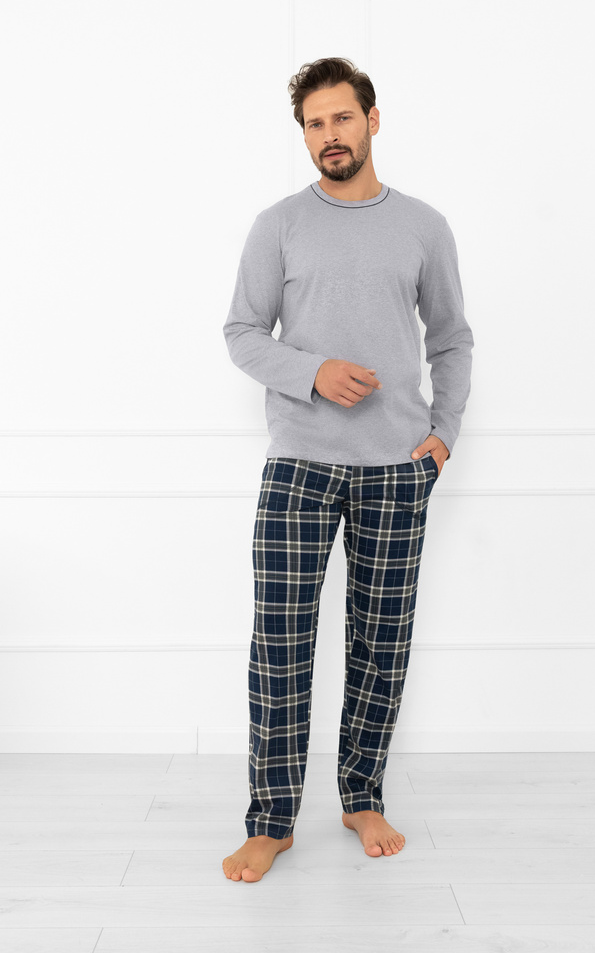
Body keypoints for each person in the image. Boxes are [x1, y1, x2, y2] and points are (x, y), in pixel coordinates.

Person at [221, 57, 474, 882]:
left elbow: (450, 339)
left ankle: (361, 798)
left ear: (372, 119)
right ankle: (272, 820)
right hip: (299, 465)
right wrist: (313, 372)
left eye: (341, 118)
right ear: (303, 134)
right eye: (313, 124)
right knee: (280, 646)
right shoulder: (279, 225)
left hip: (397, 469)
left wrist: (443, 434)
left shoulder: (424, 227)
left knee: (381, 644)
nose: (328, 135)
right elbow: (242, 332)